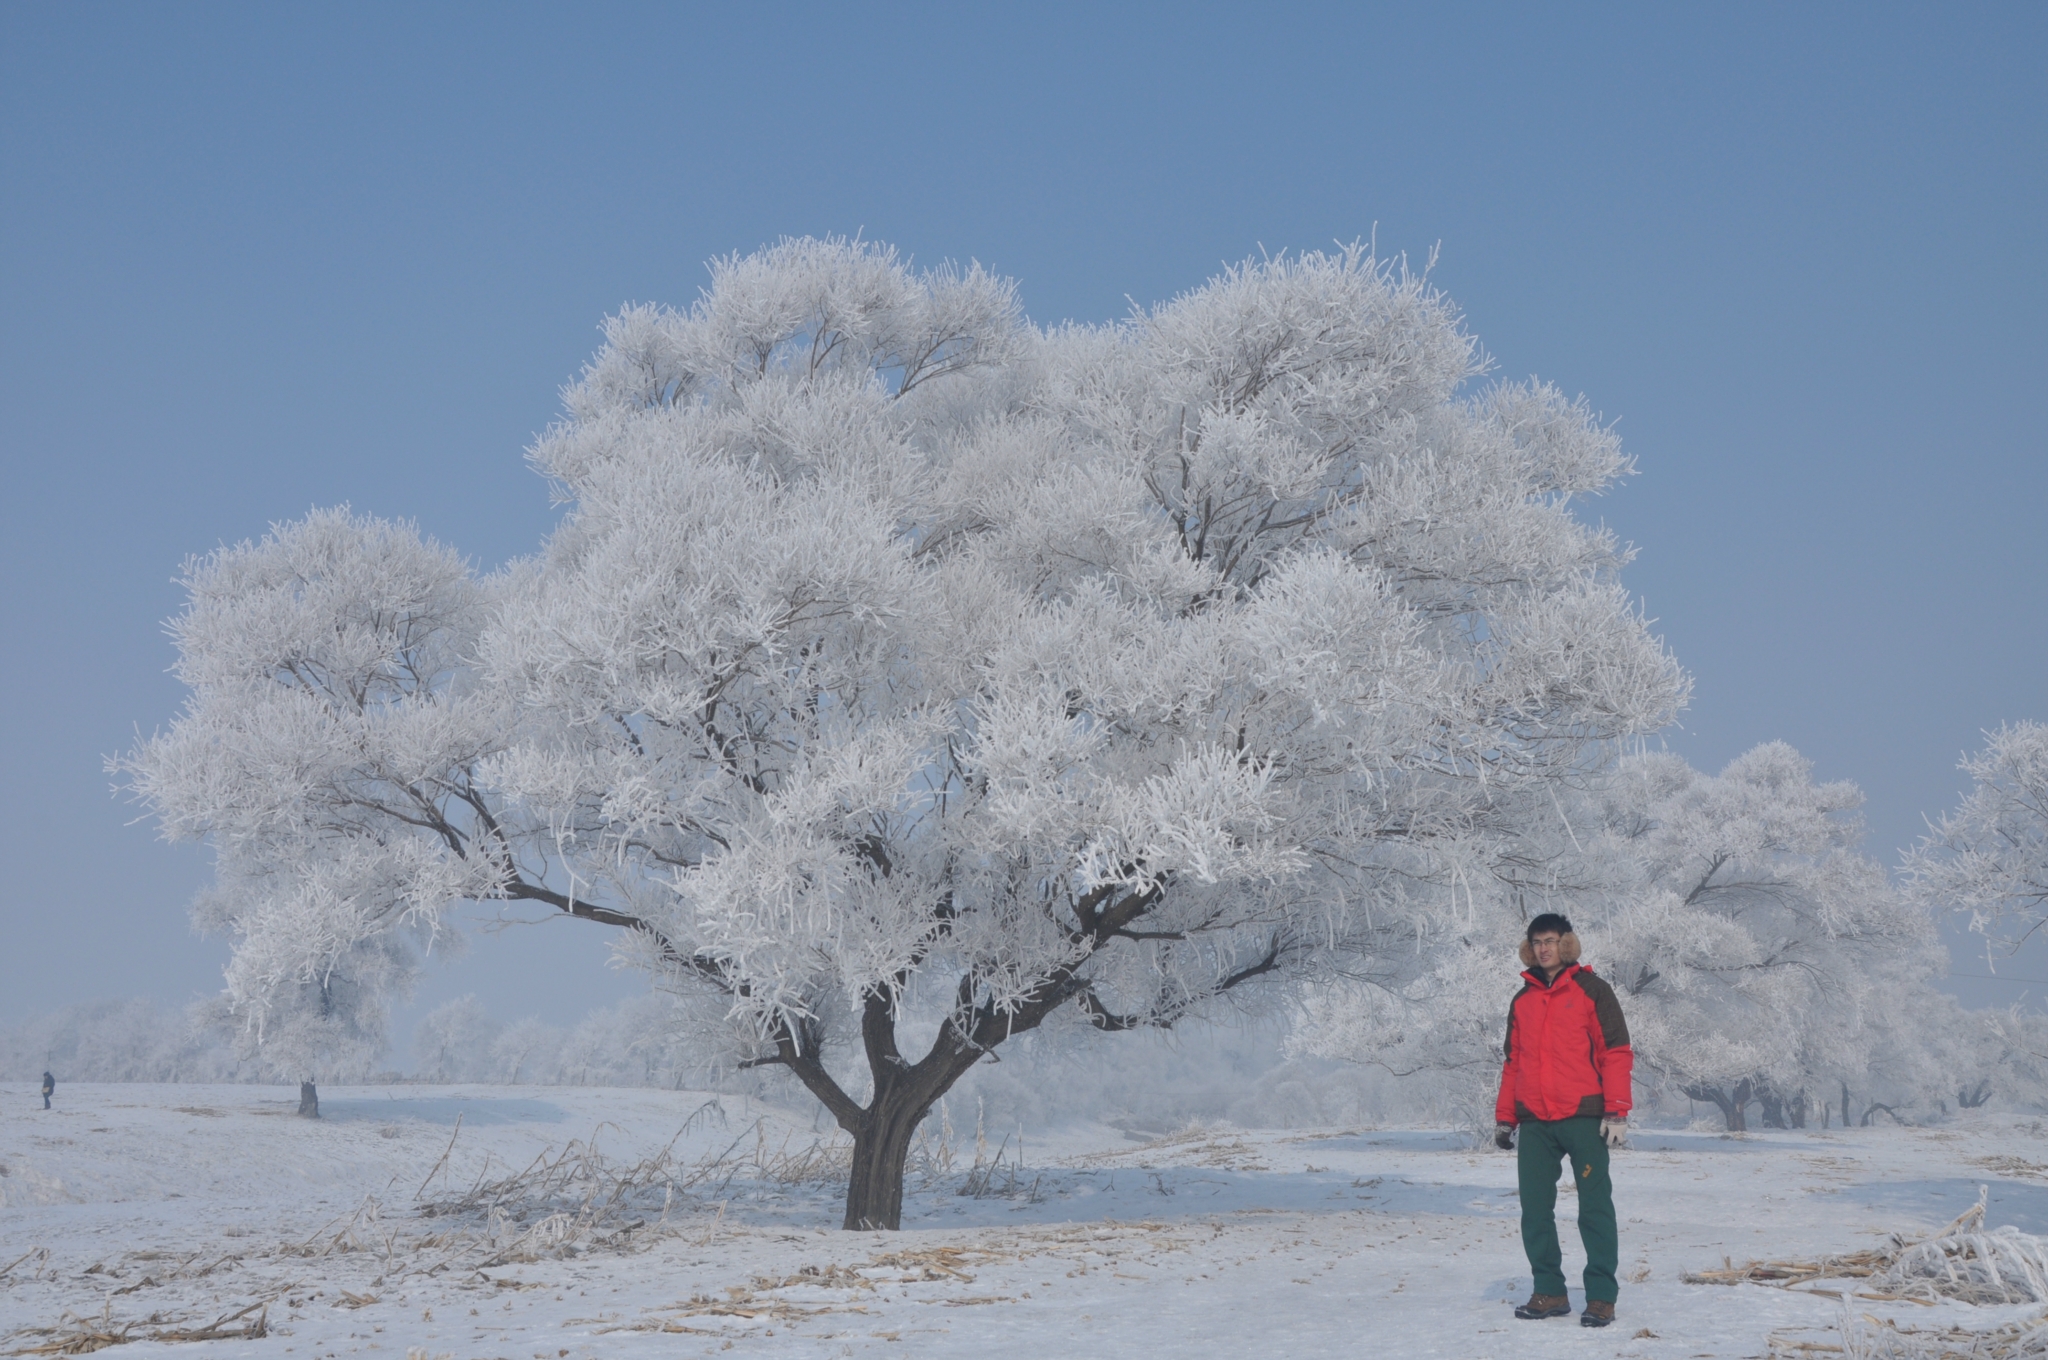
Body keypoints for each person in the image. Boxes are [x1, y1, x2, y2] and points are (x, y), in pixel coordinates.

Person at [1493, 913, 1632, 1329]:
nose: (1543, 949)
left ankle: (1602, 1297)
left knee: (1594, 1208)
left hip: (1585, 1116)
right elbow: (1513, 1063)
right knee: (1535, 1210)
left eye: (1550, 940)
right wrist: (1505, 1118)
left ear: (1566, 943)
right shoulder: (1522, 1000)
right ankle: (1550, 1291)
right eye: (1536, 942)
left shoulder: (1593, 991)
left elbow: (1616, 1051)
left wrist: (1617, 1109)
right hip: (1535, 1121)